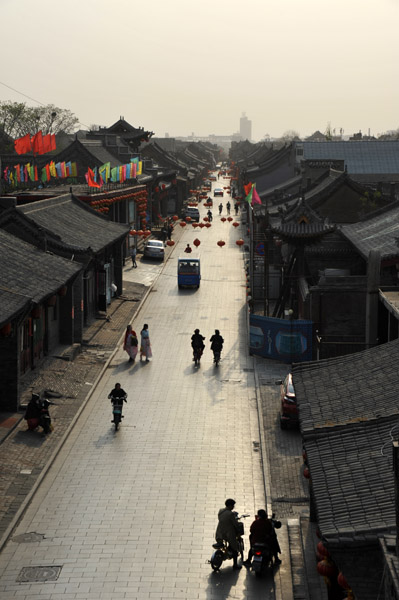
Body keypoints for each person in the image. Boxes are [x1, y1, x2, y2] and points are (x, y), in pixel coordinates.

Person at [215, 498, 242, 570]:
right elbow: (235, 524)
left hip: (220, 532)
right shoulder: (231, 514)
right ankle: (235, 565)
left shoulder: (221, 511)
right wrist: (238, 527)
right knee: (234, 547)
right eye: (233, 505)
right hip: (228, 533)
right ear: (230, 506)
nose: (233, 507)